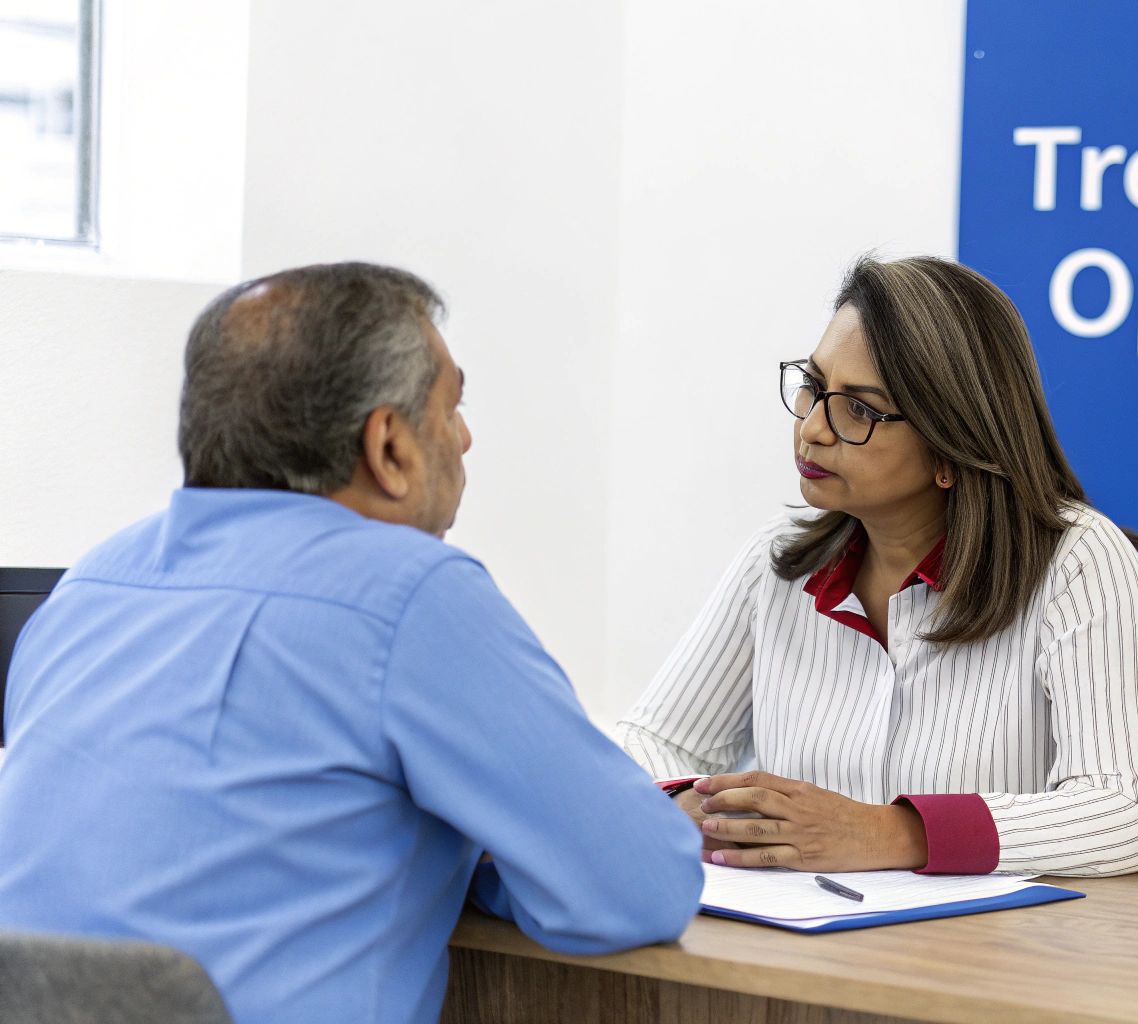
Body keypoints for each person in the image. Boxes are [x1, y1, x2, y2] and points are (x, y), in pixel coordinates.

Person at [0, 263, 702, 1024]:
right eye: (453, 407)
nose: (466, 438)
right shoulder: (409, 592)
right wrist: (485, 846)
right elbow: (640, 886)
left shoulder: (91, 583)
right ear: (389, 446)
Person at [616, 256, 1138, 877]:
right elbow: (653, 739)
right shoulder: (777, 563)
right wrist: (688, 803)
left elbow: (1129, 814)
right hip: (797, 927)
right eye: (813, 385)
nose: (812, 428)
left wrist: (888, 832)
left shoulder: (1078, 562)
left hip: (996, 937)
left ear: (952, 447)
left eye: (860, 409)